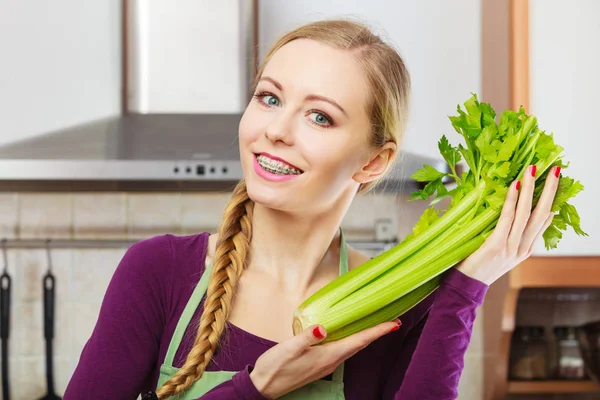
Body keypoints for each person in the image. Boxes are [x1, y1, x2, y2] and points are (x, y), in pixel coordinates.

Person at [64, 19, 559, 400]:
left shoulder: (401, 311)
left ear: (374, 161)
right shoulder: (158, 272)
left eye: (320, 116)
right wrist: (257, 387)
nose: (277, 130)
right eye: (269, 97)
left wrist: (466, 289)